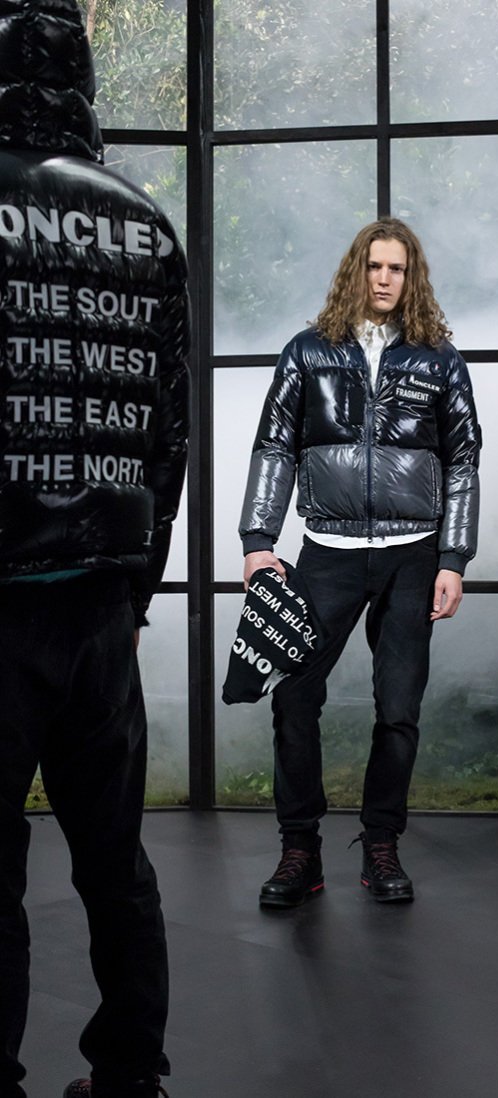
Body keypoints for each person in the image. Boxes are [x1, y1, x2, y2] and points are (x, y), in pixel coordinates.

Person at [0, 3, 190, 1097]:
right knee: (117, 863)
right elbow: (170, 437)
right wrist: (137, 587)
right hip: (103, 604)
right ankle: (130, 1073)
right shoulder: (144, 224)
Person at [239, 217, 480, 907]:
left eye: (397, 268)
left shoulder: (439, 360)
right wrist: (259, 540)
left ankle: (382, 844)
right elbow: (274, 446)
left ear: (411, 277)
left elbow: (462, 462)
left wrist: (453, 556)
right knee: (293, 696)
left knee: (398, 708)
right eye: (374, 266)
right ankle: (300, 850)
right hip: (329, 551)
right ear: (357, 271)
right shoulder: (307, 352)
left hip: (412, 555)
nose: (384, 278)